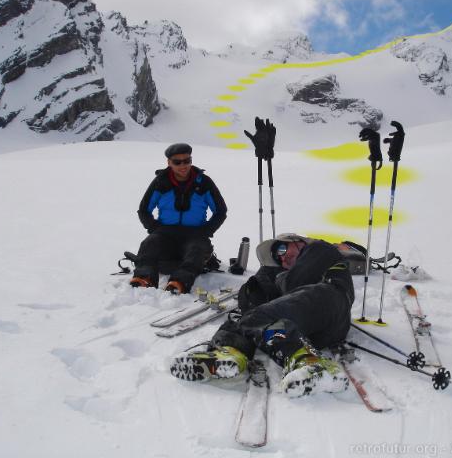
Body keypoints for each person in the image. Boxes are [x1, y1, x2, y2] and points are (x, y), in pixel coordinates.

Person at [170, 233, 354, 397]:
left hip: (330, 300)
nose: (282, 258)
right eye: (278, 258)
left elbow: (294, 282)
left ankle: (315, 364)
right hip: (312, 330)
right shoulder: (291, 273)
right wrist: (263, 281)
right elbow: (253, 301)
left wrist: (276, 275)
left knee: (257, 316)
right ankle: (232, 352)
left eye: (282, 248)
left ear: (298, 241)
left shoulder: (318, 248)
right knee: (257, 322)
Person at [131, 143, 227, 294]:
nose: (183, 165)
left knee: (197, 250)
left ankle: (179, 282)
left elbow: (221, 211)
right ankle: (144, 278)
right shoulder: (160, 182)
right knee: (150, 243)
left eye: (187, 160)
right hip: (166, 233)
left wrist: (206, 231)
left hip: (195, 234)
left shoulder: (204, 183)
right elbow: (144, 210)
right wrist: (154, 228)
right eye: (177, 162)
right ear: (169, 163)